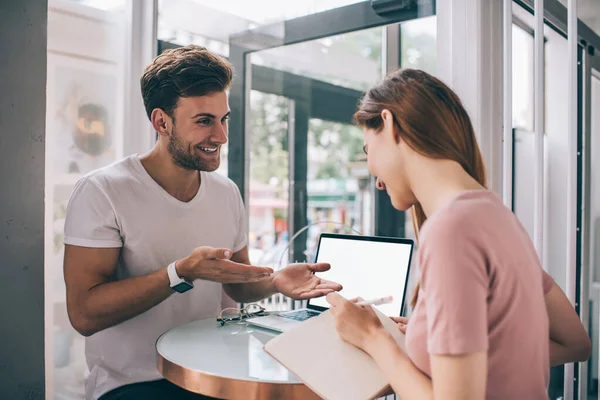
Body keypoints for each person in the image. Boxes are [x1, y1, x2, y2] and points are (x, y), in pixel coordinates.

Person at [62, 45, 342, 400]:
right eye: (204, 121)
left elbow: (236, 286)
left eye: (223, 119)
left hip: (213, 375)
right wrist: (181, 273)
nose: (222, 137)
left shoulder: (226, 193)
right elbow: (84, 314)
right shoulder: (102, 191)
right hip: (133, 384)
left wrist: (273, 280)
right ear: (161, 122)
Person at [325, 69, 591, 399]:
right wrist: (437, 343)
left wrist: (372, 338)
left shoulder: (451, 229)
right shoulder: (496, 215)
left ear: (389, 124)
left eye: (368, 151)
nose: (376, 179)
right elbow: (575, 343)